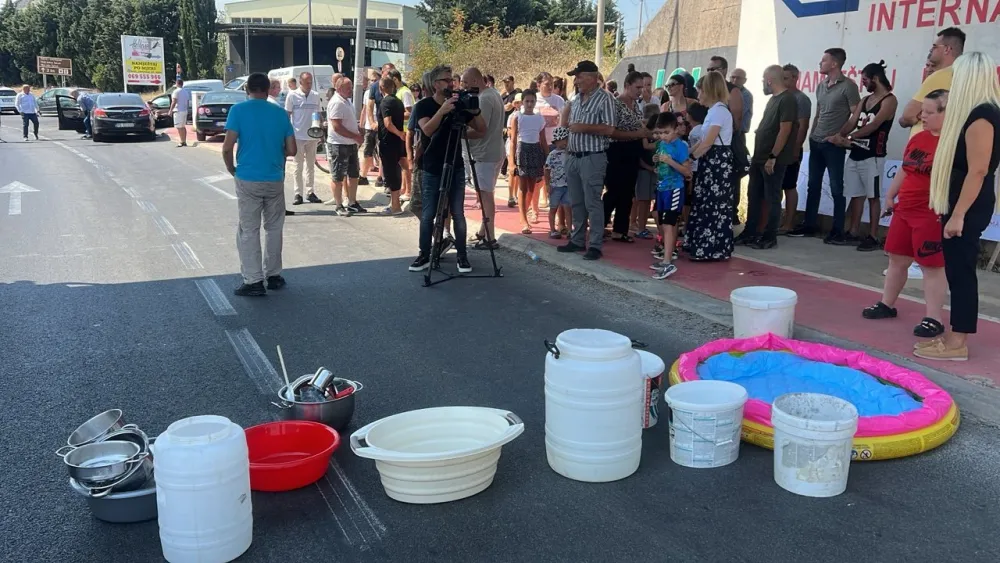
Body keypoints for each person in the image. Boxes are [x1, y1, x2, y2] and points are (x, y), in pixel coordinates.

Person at [919, 52, 1000, 361]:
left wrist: (958, 214)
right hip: (963, 202)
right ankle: (955, 336)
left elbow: (978, 170)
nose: (952, 81)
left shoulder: (982, 116)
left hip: (968, 205)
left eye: (957, 76)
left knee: (961, 271)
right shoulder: (978, 113)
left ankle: (957, 342)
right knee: (956, 269)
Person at [863, 89, 949, 339]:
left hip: (930, 212)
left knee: (931, 266)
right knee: (897, 259)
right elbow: (906, 168)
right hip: (905, 209)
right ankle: (886, 304)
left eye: (930, 113)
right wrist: (890, 195)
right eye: (923, 111)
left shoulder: (952, 143)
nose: (923, 116)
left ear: (947, 113)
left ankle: (933, 317)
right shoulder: (919, 138)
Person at [222, 73, 297, 297]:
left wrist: (231, 168)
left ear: (247, 89)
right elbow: (292, 150)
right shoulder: (280, 114)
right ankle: (273, 275)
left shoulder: (238, 111)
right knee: (274, 228)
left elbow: (227, 147)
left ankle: (253, 280)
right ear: (267, 90)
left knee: (249, 229)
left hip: (248, 177)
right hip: (274, 178)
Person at [408, 65, 486, 273]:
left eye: (452, 79)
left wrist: (473, 111)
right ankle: (425, 254)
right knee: (428, 214)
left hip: (456, 165)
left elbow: (481, 129)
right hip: (432, 167)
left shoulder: (458, 104)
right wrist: (443, 110)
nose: (451, 83)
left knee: (458, 213)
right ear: (436, 85)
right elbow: (426, 129)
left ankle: (462, 255)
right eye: (446, 80)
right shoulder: (423, 105)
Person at [788, 48, 861, 242]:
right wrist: (812, 134)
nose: (820, 63)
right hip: (817, 141)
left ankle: (838, 229)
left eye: (824, 60)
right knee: (813, 184)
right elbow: (819, 112)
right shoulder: (821, 86)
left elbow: (856, 114)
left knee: (837, 187)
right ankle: (810, 224)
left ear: (834, 64)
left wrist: (841, 135)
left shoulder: (849, 86)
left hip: (834, 144)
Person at [557, 60, 617, 261]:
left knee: (592, 202)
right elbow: (568, 124)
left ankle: (595, 244)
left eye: (579, 76)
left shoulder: (605, 99)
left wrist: (584, 127)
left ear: (592, 77)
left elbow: (609, 129)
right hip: (573, 156)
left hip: (592, 157)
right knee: (576, 202)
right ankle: (577, 239)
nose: (576, 80)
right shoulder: (576, 99)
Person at [834, 61, 897, 250]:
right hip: (855, 153)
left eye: (865, 80)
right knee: (856, 194)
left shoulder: (889, 100)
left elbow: (874, 125)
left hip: (873, 155)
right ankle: (853, 231)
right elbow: (853, 120)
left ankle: (873, 235)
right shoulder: (865, 100)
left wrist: (849, 137)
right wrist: (840, 135)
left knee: (873, 196)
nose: (863, 84)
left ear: (875, 79)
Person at [738, 65, 798, 250]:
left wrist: (773, 156)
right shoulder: (773, 99)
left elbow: (785, 129)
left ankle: (770, 236)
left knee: (772, 197)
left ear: (770, 80)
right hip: (759, 156)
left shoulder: (787, 99)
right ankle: (751, 231)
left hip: (772, 159)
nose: (763, 83)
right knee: (754, 195)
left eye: (764, 80)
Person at [685, 71, 735, 261]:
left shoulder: (720, 112)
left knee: (713, 205)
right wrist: (688, 154)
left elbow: (708, 142)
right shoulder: (713, 112)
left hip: (717, 162)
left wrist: (691, 159)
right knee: (705, 203)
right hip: (710, 162)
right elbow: (703, 141)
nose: (698, 96)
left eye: (701, 91)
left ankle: (711, 248)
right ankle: (701, 244)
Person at [462, 67, 505, 248]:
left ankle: (490, 237)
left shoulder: (484, 98)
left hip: (485, 154)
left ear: (474, 81)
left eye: (465, 83)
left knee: (486, 196)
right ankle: (483, 231)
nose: (463, 87)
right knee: (486, 193)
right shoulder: (494, 94)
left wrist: (460, 133)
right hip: (494, 151)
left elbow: (481, 130)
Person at [604, 71, 647, 243]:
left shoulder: (636, 105)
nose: (640, 91)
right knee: (614, 190)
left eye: (642, 88)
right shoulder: (616, 105)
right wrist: (637, 133)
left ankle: (620, 230)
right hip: (617, 150)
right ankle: (600, 225)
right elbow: (611, 132)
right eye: (637, 87)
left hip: (632, 151)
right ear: (627, 85)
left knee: (628, 192)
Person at [899, 27, 965, 137]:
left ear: (947, 49)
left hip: (926, 146)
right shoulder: (965, 75)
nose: (931, 50)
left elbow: (908, 116)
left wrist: (917, 115)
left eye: (935, 47)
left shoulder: (940, 76)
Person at [650, 112, 692, 279]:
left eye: (666, 132)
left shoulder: (680, 146)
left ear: (676, 130)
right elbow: (661, 163)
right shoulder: (661, 144)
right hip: (662, 188)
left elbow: (687, 171)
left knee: (669, 224)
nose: (663, 136)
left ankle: (667, 263)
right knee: (663, 222)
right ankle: (668, 254)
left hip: (674, 188)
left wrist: (670, 162)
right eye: (660, 133)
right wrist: (658, 162)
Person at [707, 56, 747, 225]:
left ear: (723, 70)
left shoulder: (733, 91)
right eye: (708, 69)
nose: (709, 73)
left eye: (713, 69)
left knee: (729, 186)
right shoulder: (707, 88)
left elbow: (737, 121)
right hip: (707, 147)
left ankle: (731, 219)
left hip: (726, 146)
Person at [325, 76, 365, 217]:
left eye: (351, 87)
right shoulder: (336, 102)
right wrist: (355, 136)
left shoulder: (347, 101)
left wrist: (358, 129)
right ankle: (338, 204)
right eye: (348, 88)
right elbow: (337, 127)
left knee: (354, 174)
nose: (350, 90)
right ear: (339, 88)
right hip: (339, 144)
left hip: (350, 144)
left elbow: (348, 121)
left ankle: (352, 202)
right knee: (338, 176)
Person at [779, 64, 812, 234]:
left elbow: (803, 126)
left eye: (786, 78)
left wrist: (795, 148)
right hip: (778, 149)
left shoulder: (801, 99)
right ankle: (778, 220)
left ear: (795, 78)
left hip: (791, 149)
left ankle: (790, 222)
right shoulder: (781, 97)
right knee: (777, 185)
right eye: (781, 78)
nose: (783, 81)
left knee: (789, 186)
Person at [512, 89, 548, 233]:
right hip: (523, 151)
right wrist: (512, 161)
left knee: (532, 188)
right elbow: (513, 140)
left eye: (532, 101)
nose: (529, 104)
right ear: (522, 102)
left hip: (535, 150)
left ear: (535, 102)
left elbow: (543, 140)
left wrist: (547, 156)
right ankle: (523, 219)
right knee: (523, 187)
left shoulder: (539, 118)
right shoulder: (517, 117)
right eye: (527, 101)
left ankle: (524, 213)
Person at [285, 72, 323, 205]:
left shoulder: (315, 96)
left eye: (310, 82)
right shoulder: (292, 95)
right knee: (298, 166)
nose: (309, 85)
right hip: (297, 136)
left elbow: (318, 113)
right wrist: (288, 134)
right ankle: (298, 193)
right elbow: (287, 115)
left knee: (311, 165)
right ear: (300, 82)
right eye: (306, 82)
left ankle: (310, 191)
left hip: (312, 136)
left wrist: (319, 129)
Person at [378, 76, 407, 214]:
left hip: (388, 141)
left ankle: (396, 205)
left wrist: (398, 133)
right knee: (397, 169)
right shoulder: (398, 102)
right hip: (397, 141)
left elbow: (388, 123)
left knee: (391, 171)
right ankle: (394, 203)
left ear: (381, 88)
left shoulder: (385, 102)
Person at [389, 69, 415, 200]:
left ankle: (409, 190)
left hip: (406, 132)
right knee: (401, 161)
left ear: (395, 79)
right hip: (400, 132)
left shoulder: (405, 92)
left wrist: (393, 116)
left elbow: (410, 113)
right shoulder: (398, 92)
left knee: (405, 162)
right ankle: (404, 188)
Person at [544, 126, 571, 238]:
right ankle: (552, 229)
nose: (563, 143)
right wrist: (547, 184)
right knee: (553, 208)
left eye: (565, 140)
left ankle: (570, 229)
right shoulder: (552, 154)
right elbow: (547, 169)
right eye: (561, 140)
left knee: (568, 208)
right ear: (556, 141)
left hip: (567, 185)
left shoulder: (570, 153)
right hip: (555, 186)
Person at [360, 68, 380, 185]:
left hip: (380, 126)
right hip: (369, 127)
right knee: (367, 152)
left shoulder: (383, 91)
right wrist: (361, 125)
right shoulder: (367, 93)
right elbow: (364, 109)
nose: (372, 82)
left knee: (381, 153)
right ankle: (363, 176)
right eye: (371, 80)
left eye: (374, 80)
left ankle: (380, 178)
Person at [167, 79, 191, 147]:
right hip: (184, 110)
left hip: (178, 111)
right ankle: (184, 140)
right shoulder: (186, 92)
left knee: (179, 127)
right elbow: (187, 102)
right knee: (183, 126)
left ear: (177, 84)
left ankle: (182, 141)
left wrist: (170, 110)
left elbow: (174, 102)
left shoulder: (176, 91)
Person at [730, 68, 754, 134]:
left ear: (744, 81)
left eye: (738, 78)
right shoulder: (728, 91)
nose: (735, 80)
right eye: (733, 77)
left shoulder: (746, 95)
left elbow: (737, 114)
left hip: (738, 133)